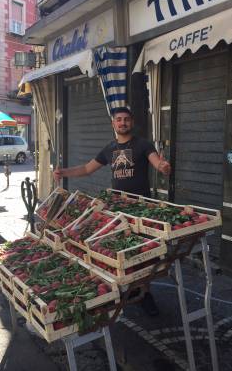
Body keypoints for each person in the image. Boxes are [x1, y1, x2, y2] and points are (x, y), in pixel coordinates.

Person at [53, 106, 171, 316]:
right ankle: (127, 289)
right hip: (116, 209)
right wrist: (64, 173)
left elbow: (156, 162)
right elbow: (88, 169)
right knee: (122, 250)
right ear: (113, 124)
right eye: (119, 119)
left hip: (140, 208)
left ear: (131, 123)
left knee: (144, 253)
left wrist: (163, 166)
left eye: (126, 119)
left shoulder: (143, 144)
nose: (123, 123)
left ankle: (145, 294)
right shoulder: (109, 149)